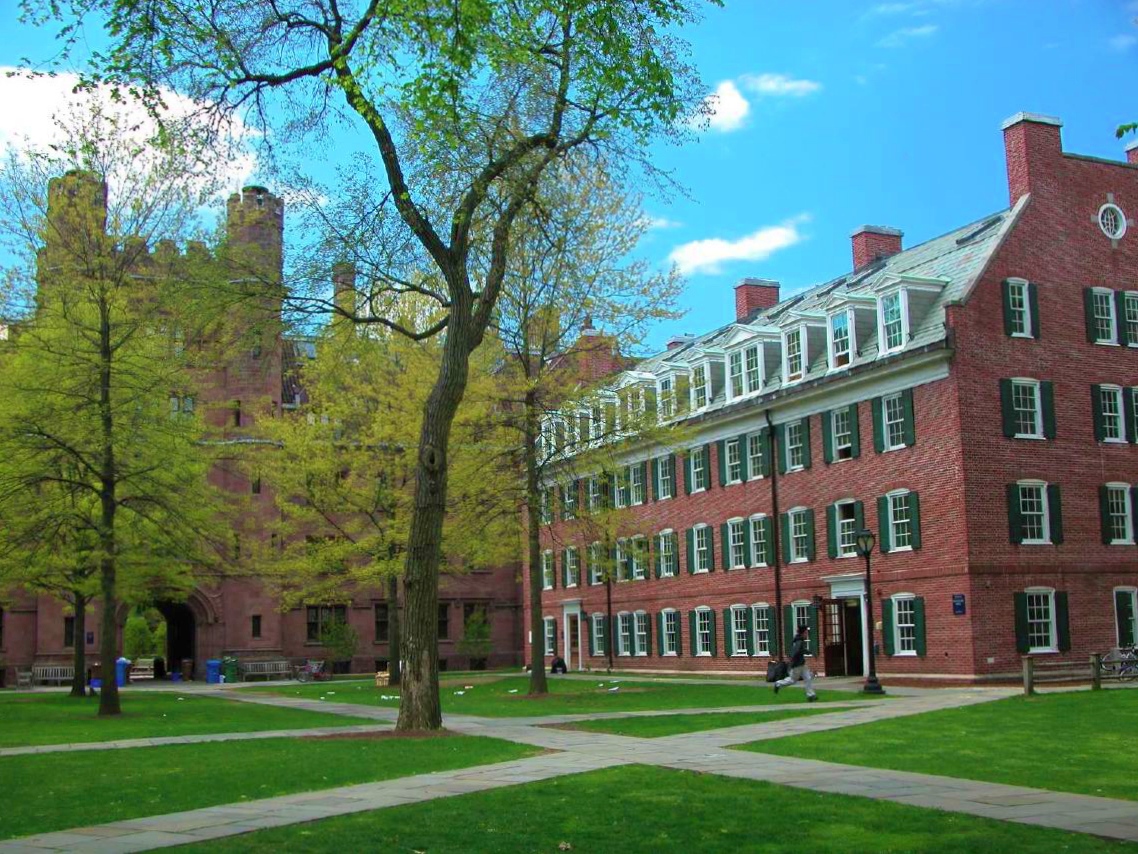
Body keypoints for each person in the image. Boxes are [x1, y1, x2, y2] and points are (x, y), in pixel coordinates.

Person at [774, 623, 817, 701]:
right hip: (796, 665)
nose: (807, 634)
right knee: (792, 680)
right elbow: (795, 651)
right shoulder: (799, 641)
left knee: (808, 678)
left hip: (802, 664)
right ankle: (778, 684)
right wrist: (792, 660)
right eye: (806, 632)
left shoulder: (800, 640)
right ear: (803, 633)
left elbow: (801, 650)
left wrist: (809, 652)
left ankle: (811, 695)